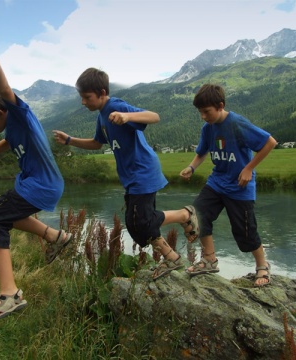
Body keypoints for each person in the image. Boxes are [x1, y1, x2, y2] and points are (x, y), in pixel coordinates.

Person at [0, 23, 72, 324]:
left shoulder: (18, 113)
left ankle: (9, 294)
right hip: (39, 185)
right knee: (8, 216)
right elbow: (7, 141)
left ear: (0, 113)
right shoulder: (12, 126)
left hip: (39, 187)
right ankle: (57, 236)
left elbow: (3, 88)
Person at [52, 67, 199, 280]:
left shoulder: (115, 106)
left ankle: (175, 251)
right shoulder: (102, 116)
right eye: (81, 97)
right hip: (131, 177)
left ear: (102, 93)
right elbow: (96, 144)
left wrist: (126, 116)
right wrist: (69, 140)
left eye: (87, 97)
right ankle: (181, 229)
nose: (83, 102)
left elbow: (154, 117)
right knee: (134, 225)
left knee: (141, 222)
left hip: (143, 171)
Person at [180, 84, 277, 287]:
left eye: (206, 112)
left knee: (245, 232)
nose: (203, 116)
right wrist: (191, 167)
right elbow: (202, 152)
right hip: (217, 183)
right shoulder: (208, 128)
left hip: (239, 187)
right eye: (200, 112)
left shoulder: (237, 123)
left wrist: (249, 168)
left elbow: (270, 142)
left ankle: (262, 265)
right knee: (198, 215)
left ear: (220, 106)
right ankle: (208, 260)